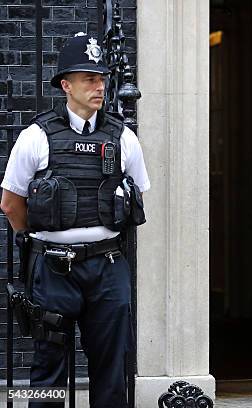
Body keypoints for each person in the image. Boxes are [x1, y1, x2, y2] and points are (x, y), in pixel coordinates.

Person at [1, 33, 150, 407]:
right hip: (53, 267)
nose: (99, 86)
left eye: (101, 79)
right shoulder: (36, 136)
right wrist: (33, 241)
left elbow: (137, 195)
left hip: (108, 265)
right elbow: (10, 202)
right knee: (47, 366)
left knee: (111, 365)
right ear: (66, 85)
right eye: (89, 79)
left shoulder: (123, 137)